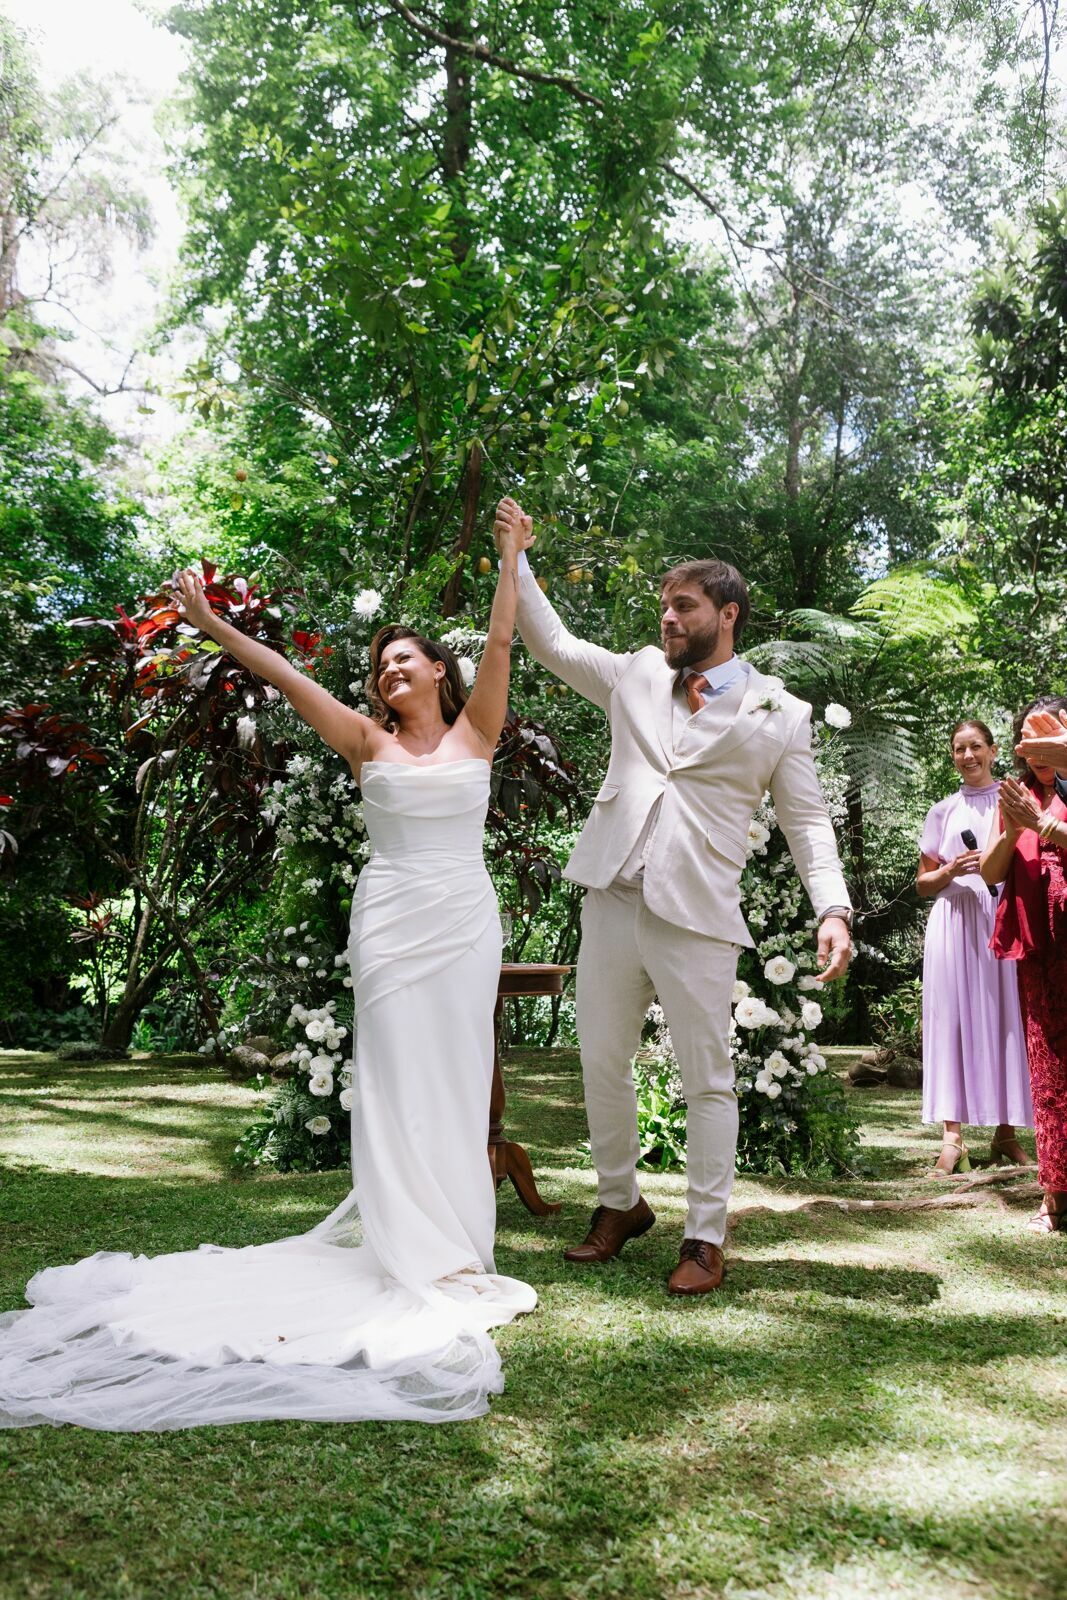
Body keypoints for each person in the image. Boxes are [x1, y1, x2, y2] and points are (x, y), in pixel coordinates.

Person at [0, 524, 537, 1430]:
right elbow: (286, 677)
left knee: (456, 1076)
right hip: (390, 922)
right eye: (381, 666)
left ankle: (455, 1246)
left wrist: (510, 557)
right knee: (397, 1079)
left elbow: (500, 640)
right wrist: (211, 624)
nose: (388, 673)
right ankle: (409, 1251)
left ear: (438, 671)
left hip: (462, 922)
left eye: (403, 660)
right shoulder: (364, 741)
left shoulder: (478, 729)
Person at [493, 498, 852, 1295]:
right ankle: (619, 1204)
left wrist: (832, 907)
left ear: (726, 615)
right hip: (611, 896)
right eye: (663, 604)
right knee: (600, 1061)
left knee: (706, 1078)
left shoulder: (780, 713)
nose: (666, 617)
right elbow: (551, 644)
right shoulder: (635, 673)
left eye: (682, 605)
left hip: (697, 912)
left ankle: (703, 1236)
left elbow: (806, 821)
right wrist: (517, 557)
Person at [916, 721, 1031, 1175]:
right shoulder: (942, 810)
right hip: (953, 924)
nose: (968, 756)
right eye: (959, 749)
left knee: (1008, 1019)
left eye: (976, 747)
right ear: (952, 756)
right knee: (952, 1022)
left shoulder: (1015, 799)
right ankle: (953, 1139)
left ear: (993, 750)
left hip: (1003, 918)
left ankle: (1006, 1134)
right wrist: (950, 871)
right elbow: (923, 884)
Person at [983, 695, 1067, 1235]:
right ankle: (1054, 1195)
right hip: (1040, 949)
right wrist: (1017, 829)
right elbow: (991, 872)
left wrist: (1046, 825)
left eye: (1050, 741)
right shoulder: (1016, 797)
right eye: (1030, 744)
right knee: (1049, 1070)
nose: (1040, 755)